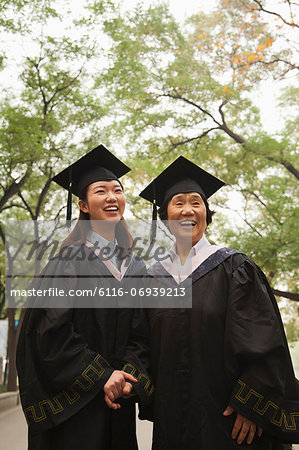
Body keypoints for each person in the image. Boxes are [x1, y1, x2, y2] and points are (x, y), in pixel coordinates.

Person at [139, 156, 299, 449]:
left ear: (206, 214)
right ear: (164, 217)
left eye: (196, 202)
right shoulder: (153, 280)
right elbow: (143, 347)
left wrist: (252, 405)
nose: (188, 209)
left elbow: (264, 341)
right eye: (178, 202)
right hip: (174, 421)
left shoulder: (234, 268)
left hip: (231, 423)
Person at [16, 144, 153, 450]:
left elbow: (143, 335)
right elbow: (50, 333)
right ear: (83, 205)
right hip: (76, 407)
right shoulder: (68, 262)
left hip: (119, 405)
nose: (111, 197)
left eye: (117, 190)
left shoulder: (136, 267)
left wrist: (128, 378)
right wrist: (102, 376)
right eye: (100, 191)